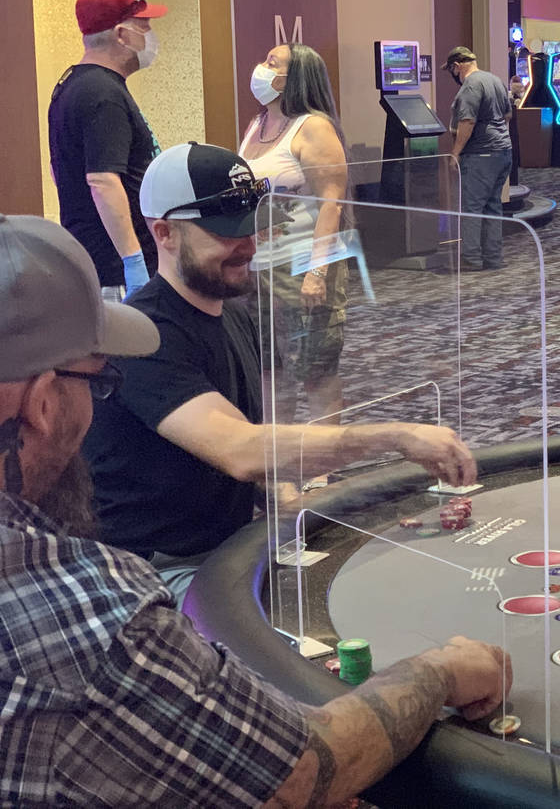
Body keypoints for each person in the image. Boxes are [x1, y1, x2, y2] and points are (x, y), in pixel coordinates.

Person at [0, 213, 511, 806]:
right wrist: (439, 672)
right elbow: (295, 770)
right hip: (175, 565)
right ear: (40, 404)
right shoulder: (88, 616)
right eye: (97, 379)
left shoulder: (237, 314)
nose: (247, 243)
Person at [83, 143, 476, 600]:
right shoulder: (143, 336)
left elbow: (261, 451)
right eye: (226, 233)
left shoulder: (233, 314)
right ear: (165, 233)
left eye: (252, 227)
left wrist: (300, 514)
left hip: (224, 546)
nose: (248, 246)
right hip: (151, 571)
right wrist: (397, 437)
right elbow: (241, 450)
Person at [238, 42, 350, 422]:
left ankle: (322, 467)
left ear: (295, 78)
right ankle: (280, 462)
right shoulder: (258, 123)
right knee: (271, 370)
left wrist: (317, 273)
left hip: (303, 267)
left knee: (315, 371)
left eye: (272, 63)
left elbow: (331, 204)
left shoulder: (313, 127)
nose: (261, 68)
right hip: (259, 270)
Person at [48, 0, 167, 301]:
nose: (150, 35)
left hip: (100, 266)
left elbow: (58, 169)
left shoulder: (74, 84)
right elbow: (102, 181)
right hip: (115, 275)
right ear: (121, 34)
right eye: (144, 26)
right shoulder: (103, 95)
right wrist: (133, 263)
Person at [444, 46, 513, 271]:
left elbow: (467, 122)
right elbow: (508, 114)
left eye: (452, 70)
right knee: (493, 205)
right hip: (503, 152)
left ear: (457, 66)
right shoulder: (494, 80)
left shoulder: (470, 86)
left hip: (480, 155)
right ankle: (493, 257)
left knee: (471, 208)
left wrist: (455, 152)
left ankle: (471, 258)